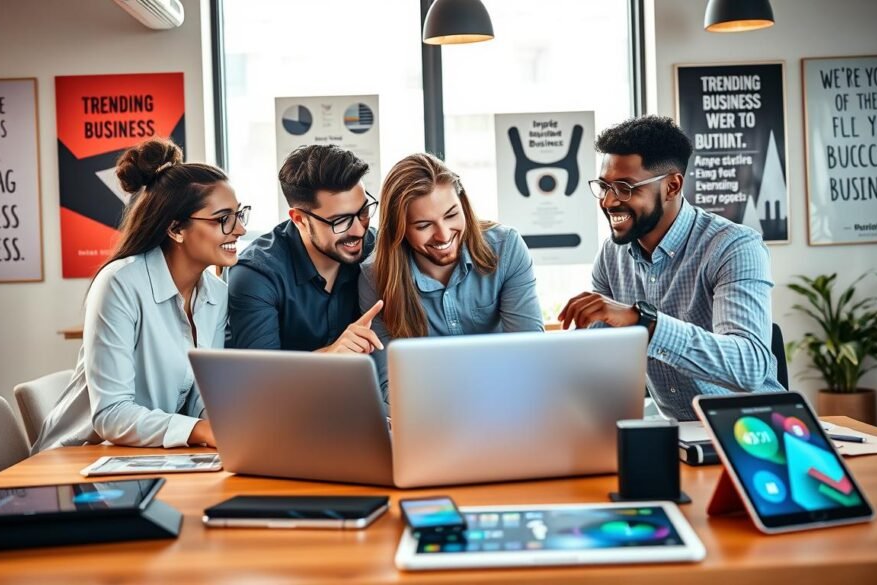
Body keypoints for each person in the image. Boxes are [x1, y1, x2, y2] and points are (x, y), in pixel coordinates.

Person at [558, 115, 785, 421]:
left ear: (672, 186)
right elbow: (598, 363)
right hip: (679, 437)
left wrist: (644, 322)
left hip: (755, 431)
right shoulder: (612, 256)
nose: (609, 202)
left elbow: (749, 366)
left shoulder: (734, 246)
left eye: (625, 188)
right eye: (604, 186)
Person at [33, 138, 248, 452]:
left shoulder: (216, 293)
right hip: (77, 457)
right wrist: (202, 430)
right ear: (176, 229)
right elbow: (110, 415)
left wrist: (224, 423)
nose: (239, 229)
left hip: (145, 455)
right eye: (223, 219)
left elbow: (201, 400)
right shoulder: (119, 284)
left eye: (239, 215)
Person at [359, 153, 544, 403]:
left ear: (463, 204)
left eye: (451, 215)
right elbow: (389, 387)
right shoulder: (374, 277)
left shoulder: (506, 247)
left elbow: (531, 357)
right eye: (424, 225)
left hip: (507, 405)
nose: (443, 235)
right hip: (428, 417)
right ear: (399, 230)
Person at [228, 145, 383, 353]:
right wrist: (330, 355)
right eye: (341, 220)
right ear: (300, 219)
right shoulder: (256, 275)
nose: (359, 230)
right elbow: (260, 378)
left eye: (363, 211)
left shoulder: (377, 249)